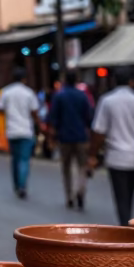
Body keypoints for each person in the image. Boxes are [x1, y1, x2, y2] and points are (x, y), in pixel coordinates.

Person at [90, 67, 134, 226]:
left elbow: (99, 131)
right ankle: (128, 223)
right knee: (130, 194)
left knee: (120, 196)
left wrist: (93, 155)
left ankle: (125, 225)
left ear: (114, 81)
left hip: (116, 157)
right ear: (132, 82)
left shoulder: (107, 101)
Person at [50, 70, 94, 209]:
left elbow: (53, 118)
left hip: (64, 137)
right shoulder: (82, 96)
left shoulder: (59, 96)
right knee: (82, 166)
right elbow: (89, 117)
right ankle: (80, 189)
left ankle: (69, 196)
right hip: (81, 136)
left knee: (66, 168)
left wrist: (52, 136)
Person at [0, 66, 41, 199]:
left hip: (11, 130)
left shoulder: (6, 92)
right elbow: (34, 111)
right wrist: (39, 125)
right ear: (24, 79)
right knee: (24, 160)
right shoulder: (29, 93)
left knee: (15, 159)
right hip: (26, 130)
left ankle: (17, 185)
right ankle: (22, 185)